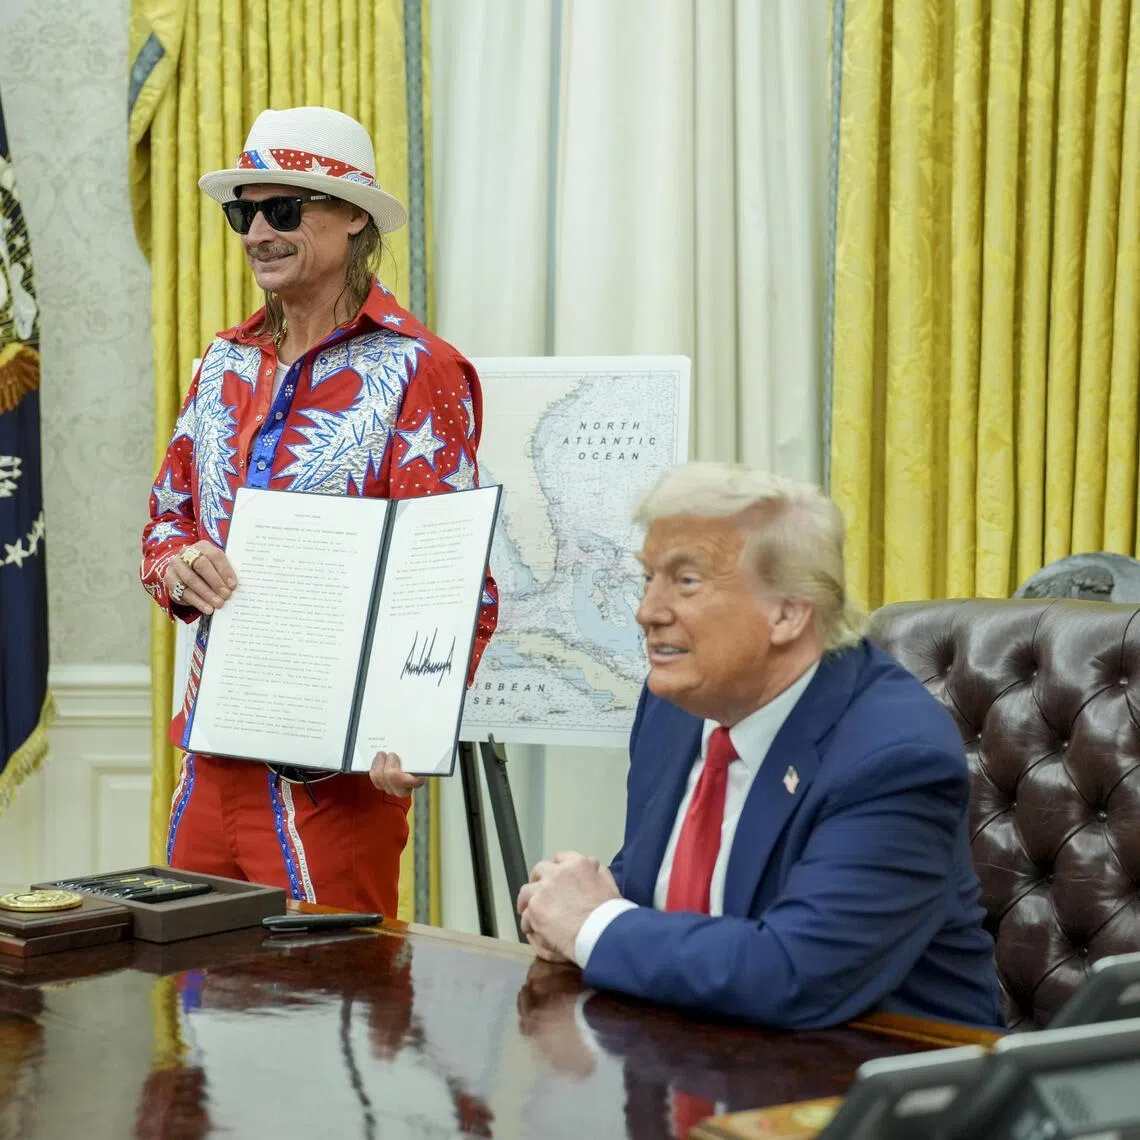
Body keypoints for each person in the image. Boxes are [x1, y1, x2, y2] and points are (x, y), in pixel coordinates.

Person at [140, 106, 496, 915]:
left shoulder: (419, 368)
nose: (259, 233)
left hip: (336, 776)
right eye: (244, 215)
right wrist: (179, 564)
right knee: (194, 978)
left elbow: (449, 573)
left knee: (326, 990)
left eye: (283, 209)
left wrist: (414, 725)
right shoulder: (223, 362)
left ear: (355, 217)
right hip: (211, 751)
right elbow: (166, 519)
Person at [514, 462, 1003, 1031]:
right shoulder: (675, 707)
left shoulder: (894, 755)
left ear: (787, 613)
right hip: (698, 1049)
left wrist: (594, 926)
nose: (647, 612)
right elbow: (654, 886)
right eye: (649, 578)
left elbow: (794, 972)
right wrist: (569, 908)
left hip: (884, 1066)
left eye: (686, 581)